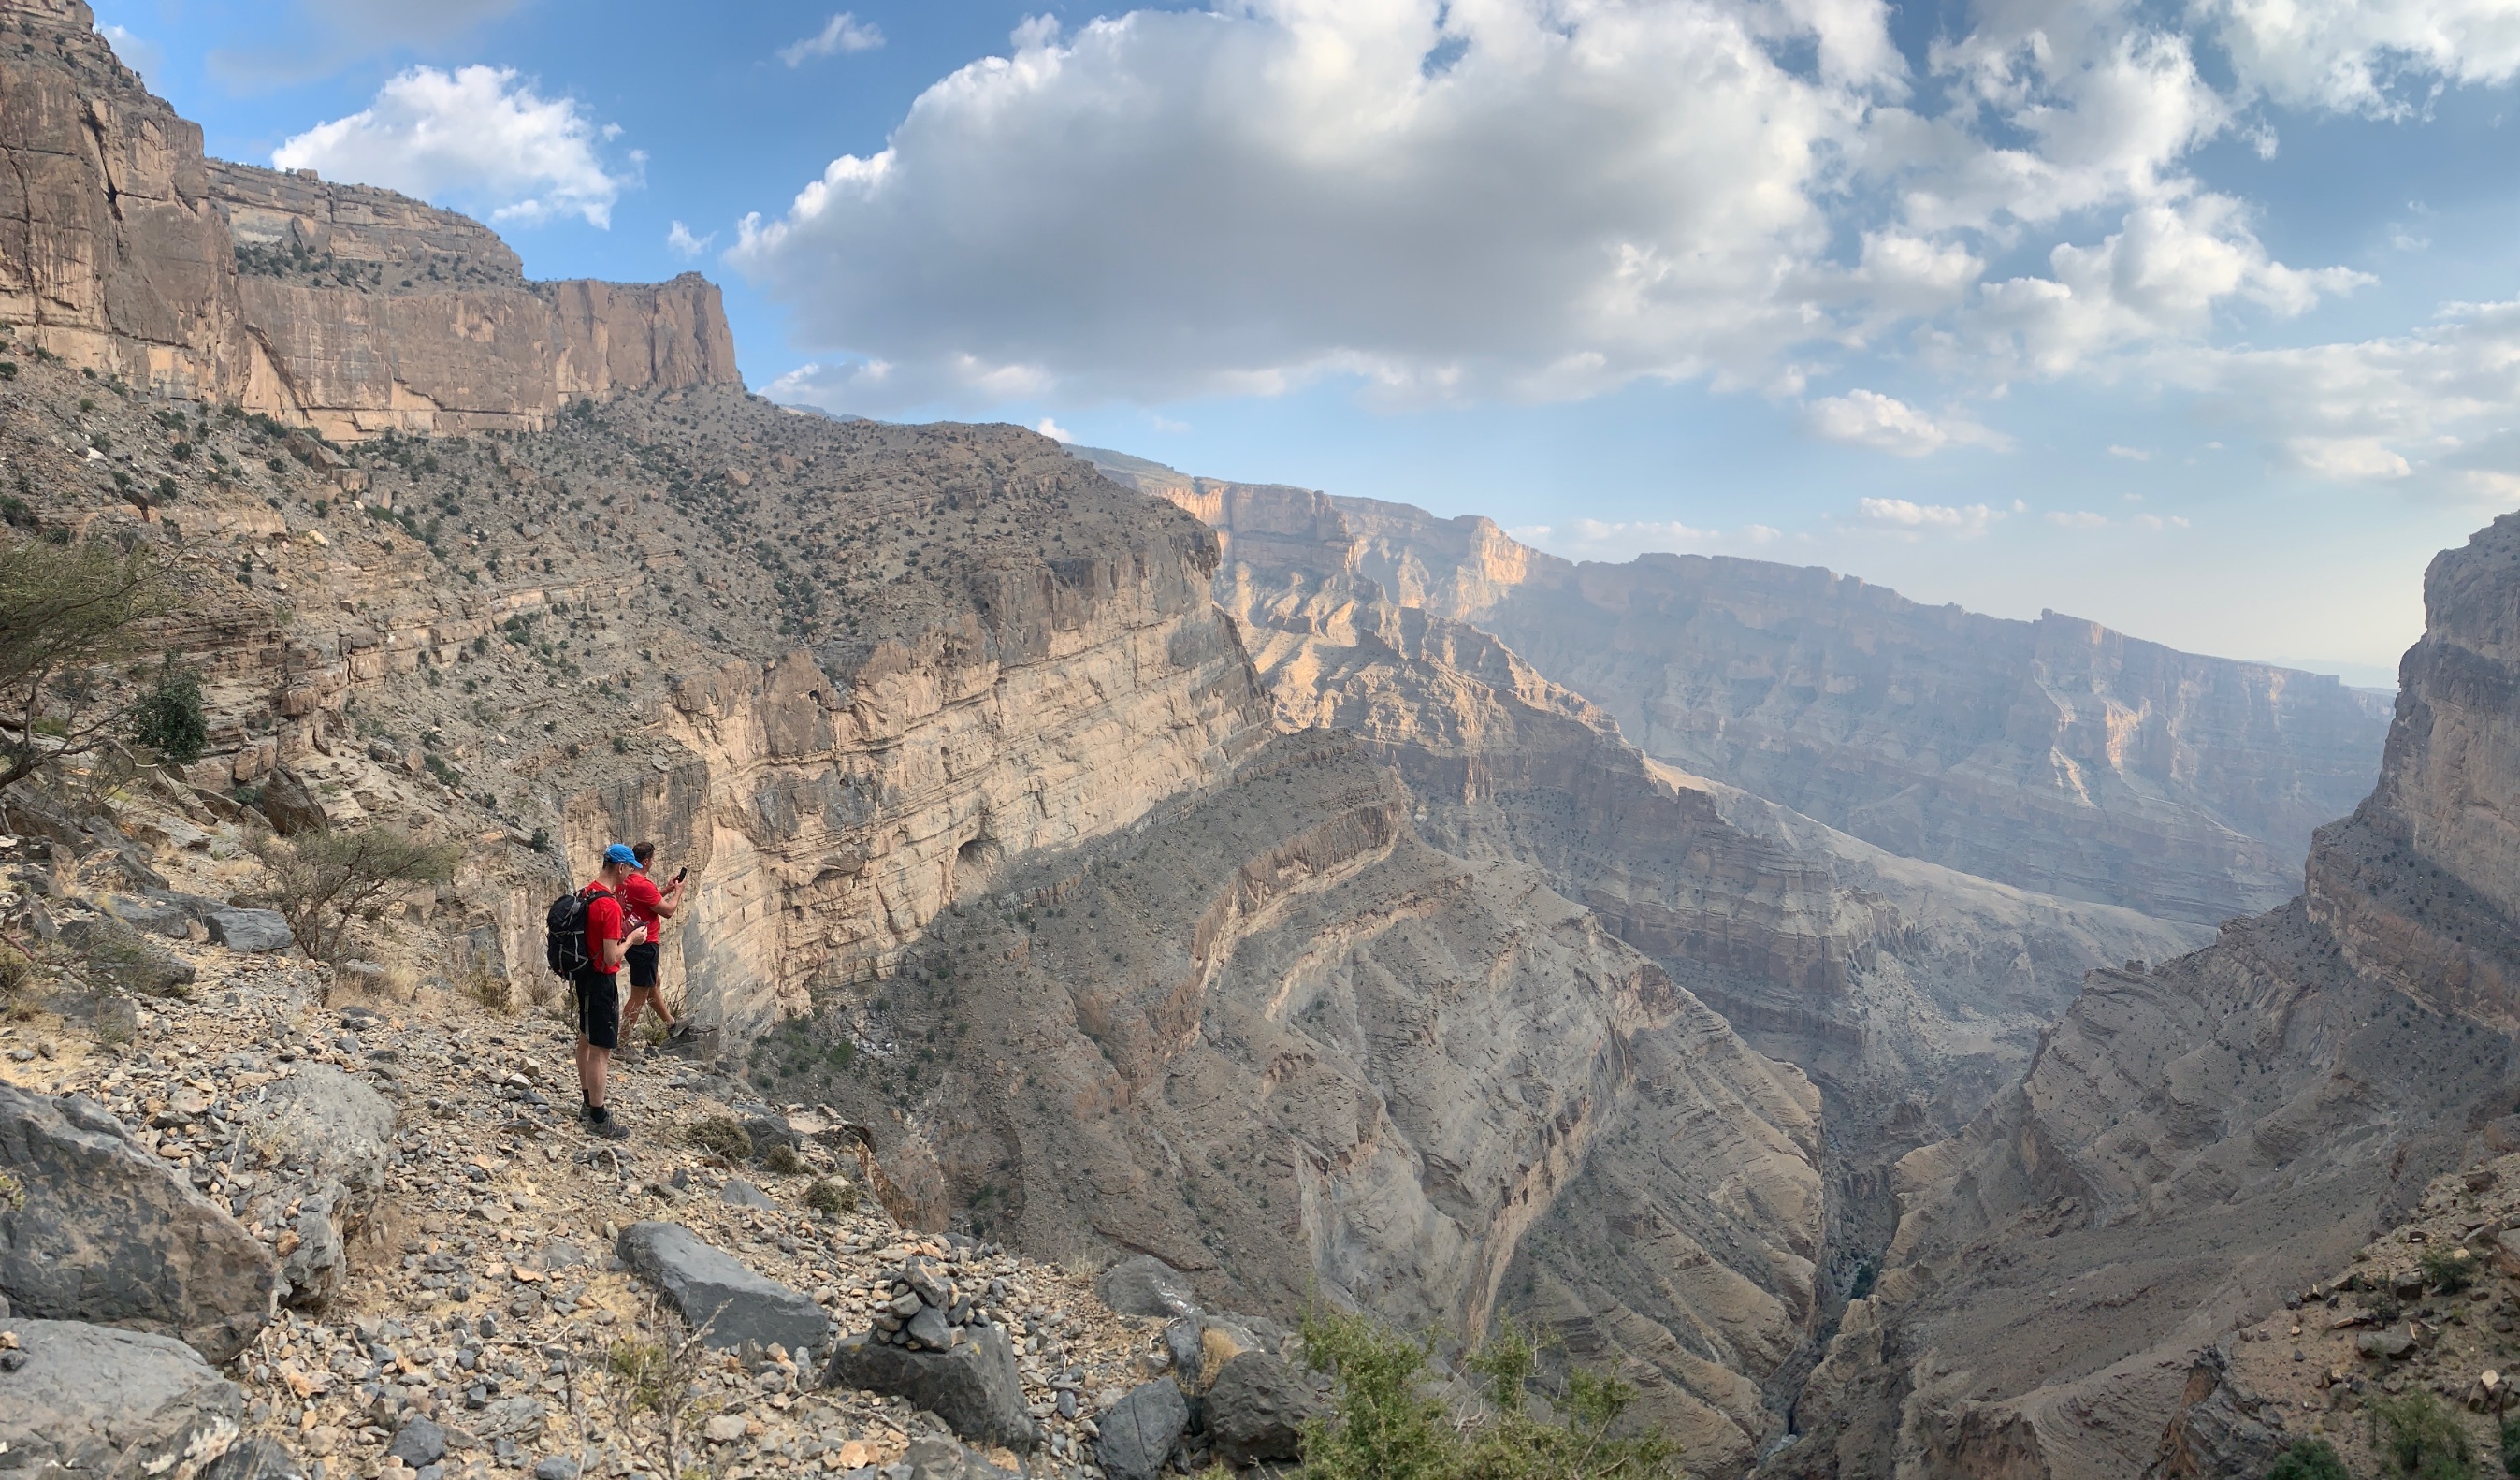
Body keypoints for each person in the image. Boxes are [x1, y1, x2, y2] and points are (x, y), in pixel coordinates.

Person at [572, 843, 647, 1140]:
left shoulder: (587, 892)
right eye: (629, 868)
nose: (630, 874)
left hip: (583, 975)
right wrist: (631, 939)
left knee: (585, 1039)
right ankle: (599, 1117)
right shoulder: (610, 905)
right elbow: (612, 955)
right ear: (619, 867)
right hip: (602, 981)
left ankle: (587, 1102)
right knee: (601, 1050)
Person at [617, 840, 690, 1052]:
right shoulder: (642, 884)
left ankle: (671, 1024)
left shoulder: (626, 880)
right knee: (639, 995)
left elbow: (645, 900)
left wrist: (667, 889)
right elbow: (667, 911)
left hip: (630, 939)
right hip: (644, 944)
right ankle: (621, 1044)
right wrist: (678, 892)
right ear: (647, 861)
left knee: (653, 982)